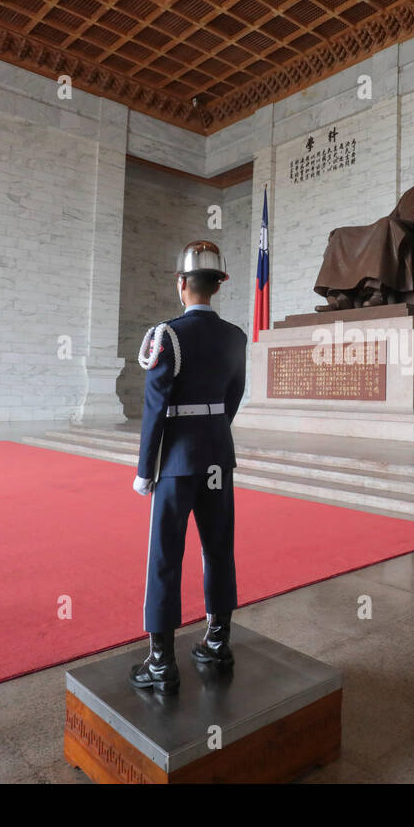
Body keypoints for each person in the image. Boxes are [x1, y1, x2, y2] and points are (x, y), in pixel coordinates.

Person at [129, 240, 248, 694]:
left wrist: (146, 468)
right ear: (218, 285)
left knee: (166, 556)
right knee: (219, 548)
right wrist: (214, 431)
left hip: (178, 462)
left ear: (182, 285)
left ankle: (162, 661)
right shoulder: (235, 336)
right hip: (219, 456)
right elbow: (233, 395)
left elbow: (154, 407)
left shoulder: (168, 335)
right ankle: (218, 641)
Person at [313, 140, 414, 311]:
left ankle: (378, 293)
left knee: (387, 225)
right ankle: (341, 296)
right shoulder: (409, 193)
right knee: (341, 234)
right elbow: (389, 220)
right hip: (396, 229)